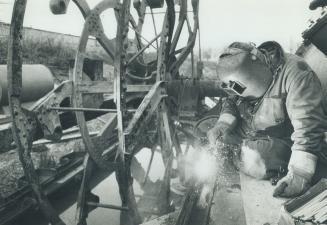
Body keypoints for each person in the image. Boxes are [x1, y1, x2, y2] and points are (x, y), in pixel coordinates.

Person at [207, 41, 327, 198]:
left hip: (291, 141)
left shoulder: (296, 73)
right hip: (258, 132)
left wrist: (300, 174)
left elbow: (308, 128)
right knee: (218, 139)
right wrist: (223, 124)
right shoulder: (242, 78)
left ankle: (242, 156)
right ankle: (240, 154)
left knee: (263, 155)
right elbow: (232, 101)